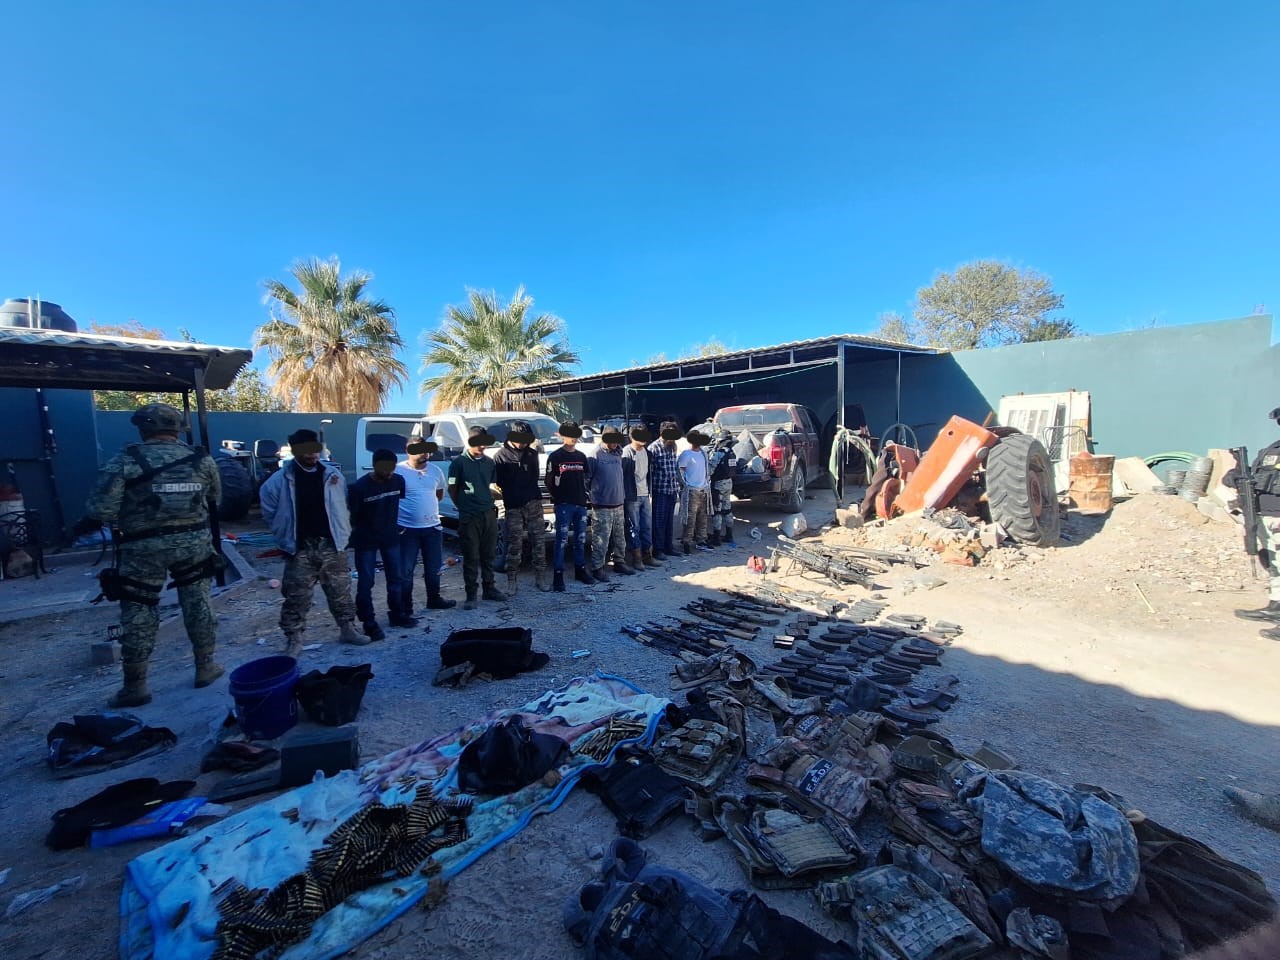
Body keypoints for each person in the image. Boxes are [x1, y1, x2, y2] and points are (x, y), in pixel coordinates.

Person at [77, 403, 224, 707]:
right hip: (194, 545)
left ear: (143, 428)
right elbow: (215, 498)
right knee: (198, 603)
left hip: (143, 549)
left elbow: (101, 510)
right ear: (177, 428)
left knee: (139, 610)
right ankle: (206, 666)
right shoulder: (202, 459)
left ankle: (136, 685)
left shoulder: (125, 460)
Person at [259, 428, 366, 657]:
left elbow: (343, 505)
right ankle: (294, 639)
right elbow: (270, 513)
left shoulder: (333, 476)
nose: (312, 454)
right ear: (295, 451)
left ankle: (348, 629)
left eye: (314, 449)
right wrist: (285, 538)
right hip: (300, 548)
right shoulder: (278, 482)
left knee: (341, 591)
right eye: (305, 450)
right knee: (296, 597)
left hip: (332, 545)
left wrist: (344, 534)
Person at [1229, 407, 1280, 640]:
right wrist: (1237, 476)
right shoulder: (1272, 450)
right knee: (1273, 564)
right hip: (1266, 514)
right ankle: (1276, 606)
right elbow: (1254, 475)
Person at [347, 448, 407, 641]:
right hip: (366, 541)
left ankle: (397, 614)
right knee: (366, 582)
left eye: (392, 468)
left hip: (390, 538)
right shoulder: (359, 488)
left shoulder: (398, 481)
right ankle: (369, 623)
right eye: (384, 468)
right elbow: (352, 517)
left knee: (396, 578)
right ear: (374, 465)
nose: (389, 472)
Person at [448, 425, 507, 609]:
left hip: (488, 513)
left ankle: (489, 588)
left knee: (489, 554)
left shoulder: (489, 462)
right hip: (469, 516)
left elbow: (492, 486)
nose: (482, 447)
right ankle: (471, 594)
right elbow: (452, 488)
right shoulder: (458, 463)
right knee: (471, 556)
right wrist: (464, 506)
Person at [396, 439, 455, 617]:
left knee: (434, 568)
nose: (424, 453)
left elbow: (439, 494)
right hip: (407, 529)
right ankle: (406, 607)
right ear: (408, 450)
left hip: (432, 529)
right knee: (406, 570)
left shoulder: (435, 471)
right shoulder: (398, 471)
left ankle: (434, 599)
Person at [493, 419, 550, 595]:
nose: (523, 443)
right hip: (513, 506)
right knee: (514, 544)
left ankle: (540, 578)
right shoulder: (500, 456)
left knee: (539, 542)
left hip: (533, 503)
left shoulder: (532, 454)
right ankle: (512, 580)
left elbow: (534, 476)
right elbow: (499, 483)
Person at [546, 420, 591, 591]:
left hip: (580, 504)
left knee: (580, 539)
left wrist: (585, 496)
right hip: (564, 505)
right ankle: (558, 575)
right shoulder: (555, 457)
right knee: (561, 540)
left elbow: (586, 478)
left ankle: (580, 570)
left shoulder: (581, 457)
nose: (573, 438)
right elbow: (549, 480)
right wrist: (558, 497)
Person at [588, 429, 634, 581]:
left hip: (618, 504)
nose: (615, 443)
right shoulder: (595, 455)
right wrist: (594, 497)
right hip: (602, 505)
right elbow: (586, 479)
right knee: (601, 539)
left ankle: (619, 562)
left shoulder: (618, 453)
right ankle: (597, 567)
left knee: (620, 537)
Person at [622, 426, 661, 568]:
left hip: (645, 494)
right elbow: (622, 475)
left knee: (647, 526)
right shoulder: (626, 453)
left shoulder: (647, 452)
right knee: (634, 527)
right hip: (632, 496)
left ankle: (647, 555)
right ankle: (636, 558)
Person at [647, 421, 683, 561]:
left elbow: (675, 468)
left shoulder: (673, 446)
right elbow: (649, 471)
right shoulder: (653, 448)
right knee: (659, 521)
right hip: (660, 490)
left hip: (672, 489)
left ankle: (669, 547)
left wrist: (679, 484)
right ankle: (658, 549)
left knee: (669, 520)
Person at [678, 429, 713, 554]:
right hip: (691, 491)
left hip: (703, 490)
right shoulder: (686, 454)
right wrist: (685, 484)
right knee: (690, 519)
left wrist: (706, 483)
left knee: (703, 517)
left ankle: (701, 541)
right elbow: (680, 470)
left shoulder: (703, 453)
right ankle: (686, 542)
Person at [706, 427, 738, 548]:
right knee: (727, 509)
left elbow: (710, 470)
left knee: (717, 511)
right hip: (728, 483)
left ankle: (717, 537)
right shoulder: (731, 453)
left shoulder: (718, 454)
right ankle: (729, 535)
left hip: (718, 484)